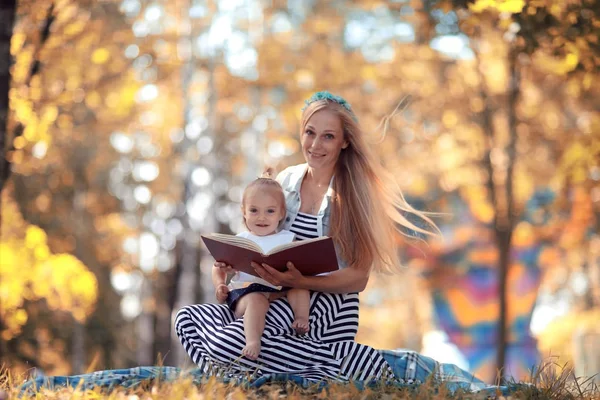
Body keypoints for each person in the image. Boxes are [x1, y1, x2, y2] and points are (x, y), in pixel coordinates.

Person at [175, 91, 438, 382]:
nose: (314, 145)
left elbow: (358, 278)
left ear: (344, 141)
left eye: (328, 136)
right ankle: (270, 368)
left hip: (324, 303)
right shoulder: (287, 180)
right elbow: (265, 234)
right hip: (269, 294)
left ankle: (351, 363)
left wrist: (298, 282)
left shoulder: (355, 196)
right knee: (187, 319)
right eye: (310, 133)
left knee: (228, 344)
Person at [212, 171, 310, 360]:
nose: (262, 217)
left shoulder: (288, 238)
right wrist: (220, 285)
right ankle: (252, 341)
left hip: (277, 289)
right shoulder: (241, 240)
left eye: (270, 211)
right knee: (257, 299)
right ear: (244, 211)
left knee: (301, 285)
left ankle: (301, 319)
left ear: (282, 213)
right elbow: (218, 266)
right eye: (254, 210)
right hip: (246, 294)